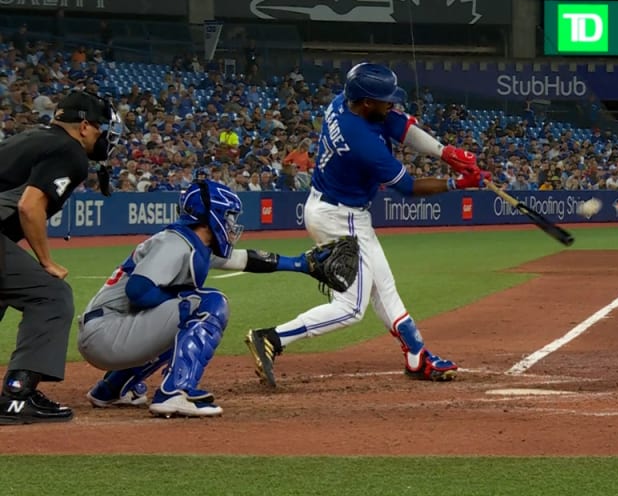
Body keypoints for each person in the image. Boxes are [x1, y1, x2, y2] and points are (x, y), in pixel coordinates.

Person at [244, 62, 487, 387]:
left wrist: (446, 152)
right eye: (386, 99)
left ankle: (417, 356)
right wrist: (459, 184)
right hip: (338, 217)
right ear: (368, 102)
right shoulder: (361, 141)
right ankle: (272, 337)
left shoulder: (346, 103)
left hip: (340, 209)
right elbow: (409, 188)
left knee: (384, 287)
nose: (393, 104)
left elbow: (399, 125)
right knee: (350, 308)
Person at [77, 180, 345, 418]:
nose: (231, 223)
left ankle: (111, 389)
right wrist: (182, 297)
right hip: (107, 332)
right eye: (227, 216)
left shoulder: (193, 242)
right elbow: (138, 290)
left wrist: (300, 264)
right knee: (208, 303)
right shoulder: (174, 243)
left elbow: (245, 259)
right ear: (210, 216)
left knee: (185, 319)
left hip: (108, 332)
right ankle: (174, 392)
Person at [0, 91, 121, 425]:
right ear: (84, 126)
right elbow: (29, 205)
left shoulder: (29, 138)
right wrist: (46, 261)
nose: (102, 136)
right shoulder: (69, 152)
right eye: (100, 129)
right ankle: (17, 396)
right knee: (51, 295)